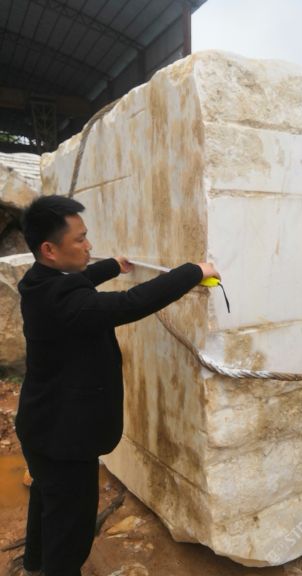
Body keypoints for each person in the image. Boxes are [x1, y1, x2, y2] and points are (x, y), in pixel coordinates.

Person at [14, 194, 220, 576]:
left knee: (47, 499)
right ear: (49, 249)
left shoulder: (37, 281)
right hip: (64, 441)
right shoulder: (63, 302)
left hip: (41, 426)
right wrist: (194, 271)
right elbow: (130, 304)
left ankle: (33, 565)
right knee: (71, 530)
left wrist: (112, 266)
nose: (88, 245)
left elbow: (77, 282)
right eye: (80, 239)